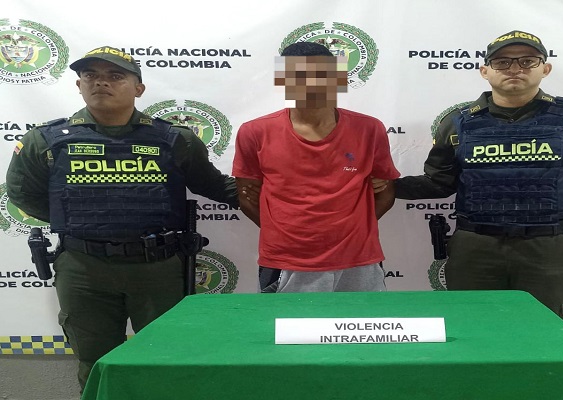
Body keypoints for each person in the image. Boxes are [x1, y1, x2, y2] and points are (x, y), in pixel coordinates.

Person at [5, 46, 238, 390]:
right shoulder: (46, 140)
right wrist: (81, 218)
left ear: (138, 88)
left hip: (157, 268)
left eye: (115, 76)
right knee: (95, 362)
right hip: (84, 269)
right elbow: (23, 193)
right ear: (79, 85)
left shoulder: (175, 139)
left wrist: (289, 196)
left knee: (167, 359)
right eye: (90, 75)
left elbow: (215, 186)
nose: (101, 82)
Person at [395, 30, 563, 323]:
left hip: (548, 245)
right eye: (502, 62)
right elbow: (439, 182)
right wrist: (382, 186)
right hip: (476, 247)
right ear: (485, 71)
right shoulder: (458, 122)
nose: (515, 69)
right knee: (472, 327)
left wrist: (554, 197)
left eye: (527, 61)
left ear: (545, 68)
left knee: (546, 330)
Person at [233, 42, 400, 293]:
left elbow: (385, 192)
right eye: (299, 76)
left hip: (359, 261)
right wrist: (289, 234)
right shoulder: (255, 132)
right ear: (284, 80)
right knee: (286, 321)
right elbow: (247, 197)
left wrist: (351, 231)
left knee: (362, 320)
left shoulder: (370, 129)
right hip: (287, 261)